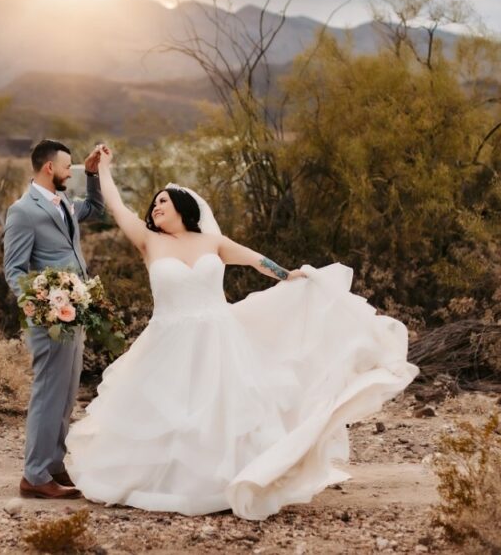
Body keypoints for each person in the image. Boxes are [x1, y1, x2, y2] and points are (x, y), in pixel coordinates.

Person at [65, 145, 418, 519]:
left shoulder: (211, 242)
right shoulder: (148, 241)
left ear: (184, 207)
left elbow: (256, 261)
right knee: (173, 413)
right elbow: (118, 206)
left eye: (163, 202)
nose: (156, 208)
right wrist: (102, 168)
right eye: (154, 205)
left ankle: (233, 478)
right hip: (169, 341)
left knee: (228, 408)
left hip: (219, 337)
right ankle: (167, 484)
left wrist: (289, 275)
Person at [3, 139, 104, 499]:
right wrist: (38, 306)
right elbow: (14, 269)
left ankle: (53, 464)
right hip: (49, 318)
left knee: (65, 393)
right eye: (68, 167)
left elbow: (97, 207)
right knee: (48, 393)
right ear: (49, 168)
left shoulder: (66, 204)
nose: (69, 172)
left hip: (74, 313)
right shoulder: (23, 211)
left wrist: (92, 174)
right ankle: (34, 475)